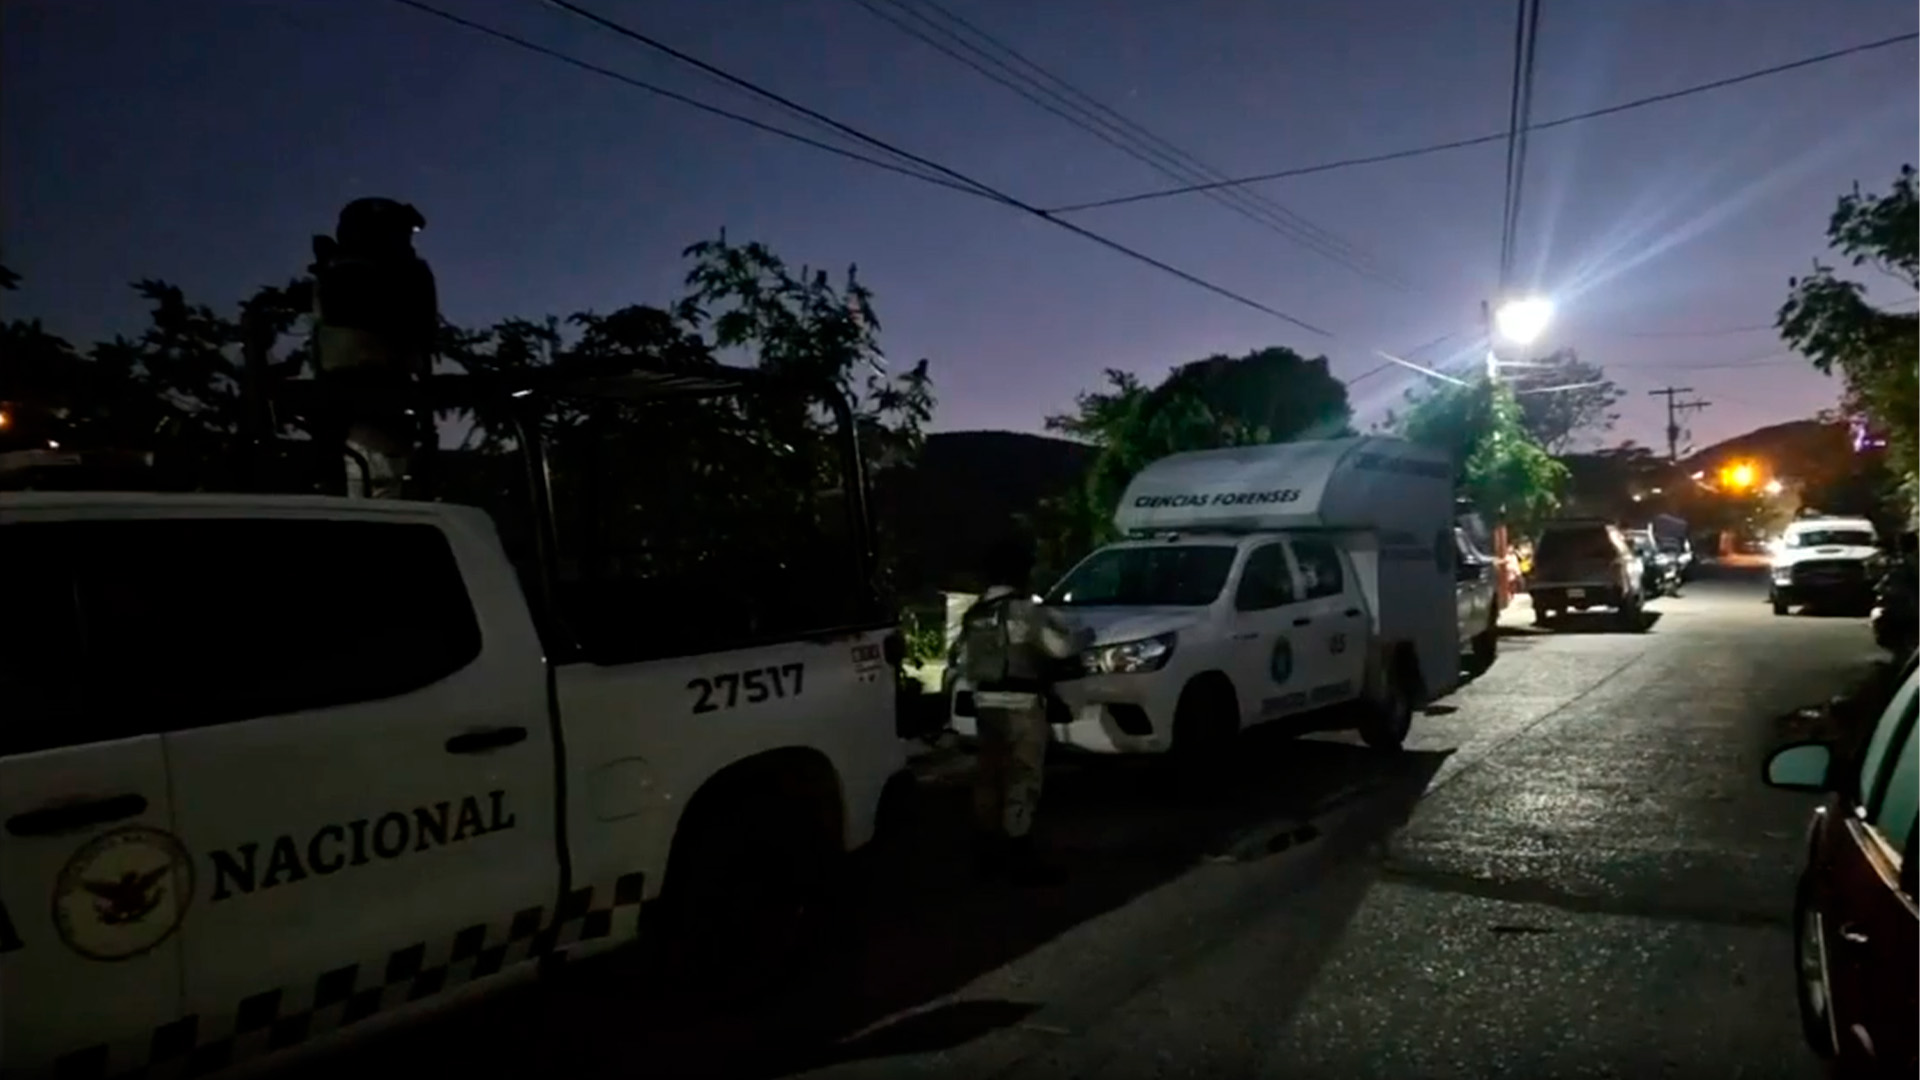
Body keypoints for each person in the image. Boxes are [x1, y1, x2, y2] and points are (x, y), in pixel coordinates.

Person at [958, 540, 1090, 884]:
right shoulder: (1026, 611)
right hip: (1023, 704)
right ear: (1020, 572)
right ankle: (1017, 849)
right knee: (1022, 776)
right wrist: (1084, 634)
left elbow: (961, 660)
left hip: (985, 705)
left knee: (988, 777)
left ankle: (986, 850)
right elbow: (1060, 647)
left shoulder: (975, 614)